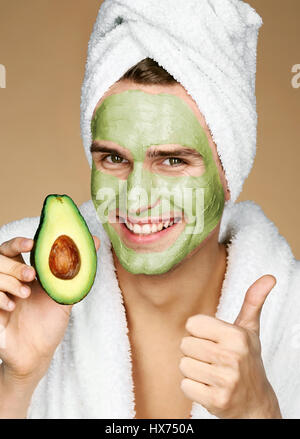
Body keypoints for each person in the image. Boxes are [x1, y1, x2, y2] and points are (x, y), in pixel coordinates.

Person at [0, 1, 300, 419]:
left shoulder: (294, 315)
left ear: (228, 172)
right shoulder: (15, 286)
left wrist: (259, 412)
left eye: (173, 161)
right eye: (114, 159)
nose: (136, 198)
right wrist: (17, 378)